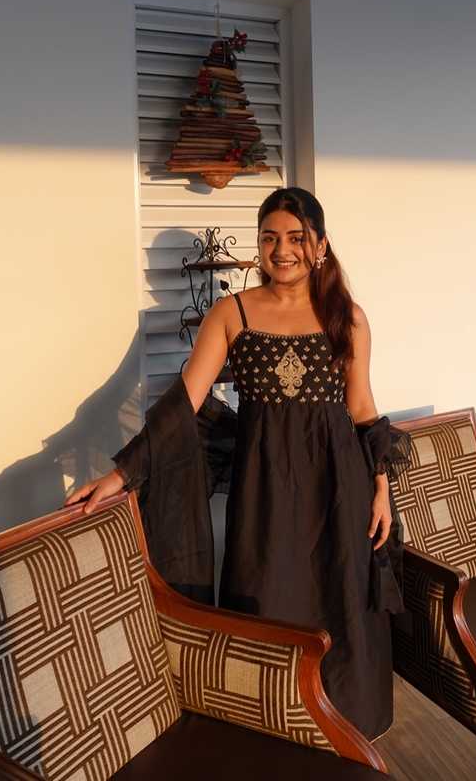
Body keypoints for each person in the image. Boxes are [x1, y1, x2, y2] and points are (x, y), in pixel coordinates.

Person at [66, 186, 409, 740]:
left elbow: (362, 407)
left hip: (339, 488)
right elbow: (185, 402)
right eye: (270, 238)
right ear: (258, 245)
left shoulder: (347, 317)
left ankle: (345, 731)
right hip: (264, 491)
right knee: (266, 598)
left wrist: (381, 488)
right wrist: (121, 473)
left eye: (296, 238)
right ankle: (273, 727)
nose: (282, 250)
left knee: (341, 598)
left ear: (321, 245)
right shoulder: (233, 313)